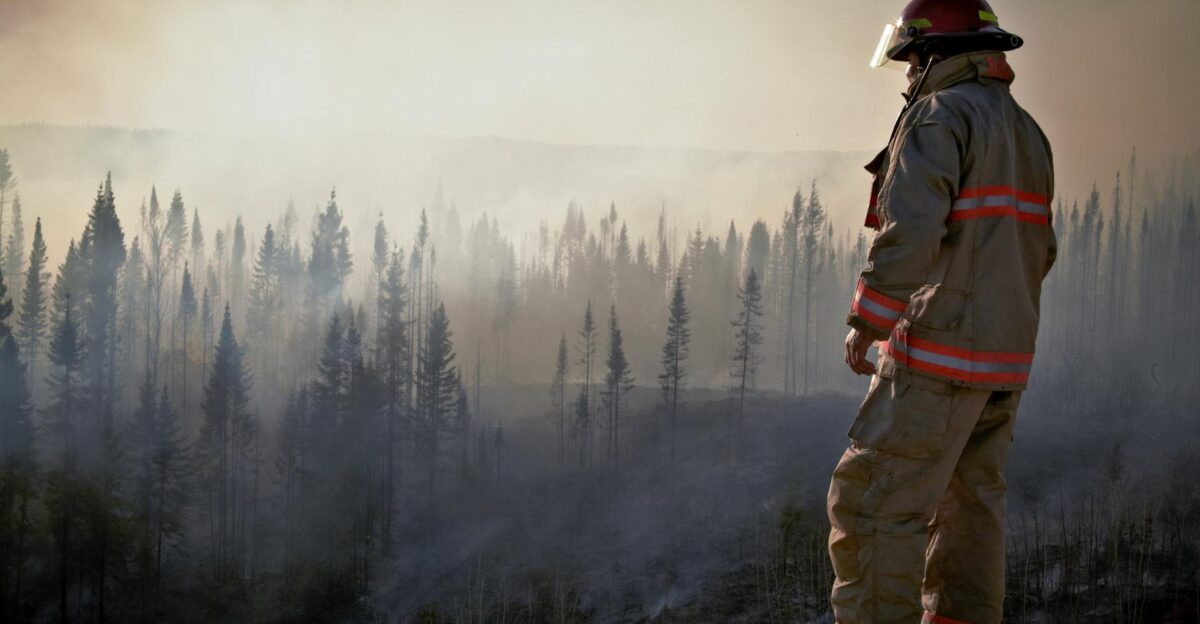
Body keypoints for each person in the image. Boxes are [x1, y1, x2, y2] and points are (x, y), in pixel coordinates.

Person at [827, 1, 1057, 622]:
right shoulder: (1026, 130)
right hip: (1003, 367)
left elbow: (910, 232)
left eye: (909, 62)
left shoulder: (938, 116)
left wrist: (868, 321)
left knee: (871, 505)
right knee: (968, 510)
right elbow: (1042, 250)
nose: (906, 78)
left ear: (933, 56)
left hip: (937, 360)